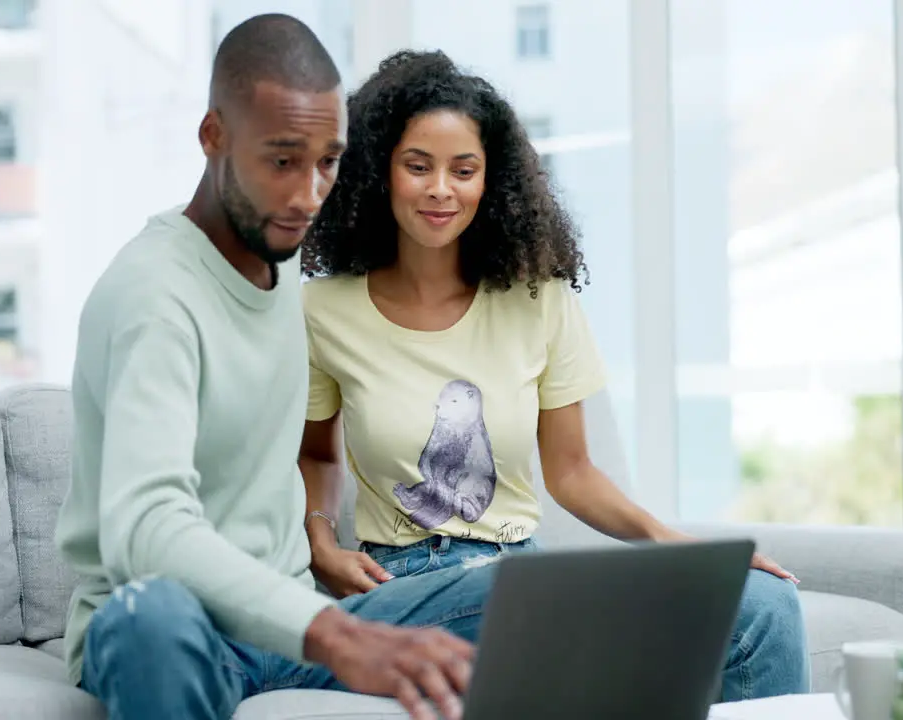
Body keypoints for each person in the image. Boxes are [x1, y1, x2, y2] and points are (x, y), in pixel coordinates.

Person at [297, 49, 812, 703]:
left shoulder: (539, 300)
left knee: (763, 606)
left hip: (520, 574)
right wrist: (322, 544)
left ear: (492, 182)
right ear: (379, 172)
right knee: (499, 595)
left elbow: (572, 473)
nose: (440, 190)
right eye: (417, 167)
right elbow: (316, 452)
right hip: (407, 586)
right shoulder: (324, 309)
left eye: (464, 170)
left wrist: (685, 552)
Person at [54, 18, 494, 720]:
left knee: (511, 590)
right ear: (213, 135)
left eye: (328, 161)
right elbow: (145, 525)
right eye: (282, 160)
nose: (308, 194)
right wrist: (337, 635)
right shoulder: (154, 296)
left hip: (288, 629)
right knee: (152, 618)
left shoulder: (277, 261)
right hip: (181, 632)